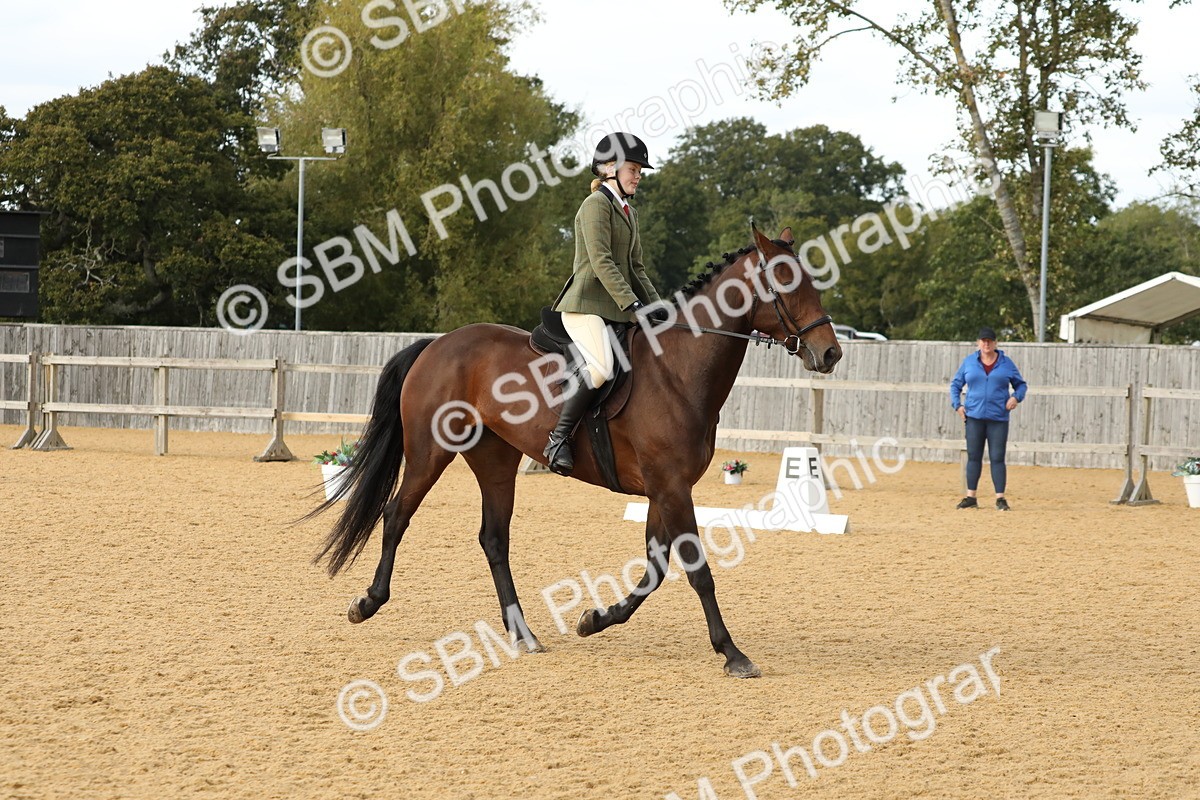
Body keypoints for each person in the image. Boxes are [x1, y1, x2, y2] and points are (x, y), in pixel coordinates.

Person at [543, 132, 667, 476]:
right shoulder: (595, 205)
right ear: (610, 168)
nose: (638, 175)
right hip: (585, 305)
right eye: (634, 169)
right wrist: (633, 305)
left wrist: (659, 308)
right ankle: (558, 438)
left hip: (616, 308)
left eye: (640, 170)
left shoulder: (630, 213)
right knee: (600, 367)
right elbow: (601, 262)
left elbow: (636, 268)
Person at [949, 326, 1027, 510]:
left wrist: (1016, 397)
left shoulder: (1006, 364)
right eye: (983, 340)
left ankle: (1000, 498)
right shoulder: (969, 362)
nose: (986, 343)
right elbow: (955, 385)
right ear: (978, 343)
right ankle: (971, 497)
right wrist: (957, 405)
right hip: (974, 416)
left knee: (997, 457)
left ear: (995, 343)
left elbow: (1021, 385)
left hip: (998, 417)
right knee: (974, 456)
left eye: (989, 341)